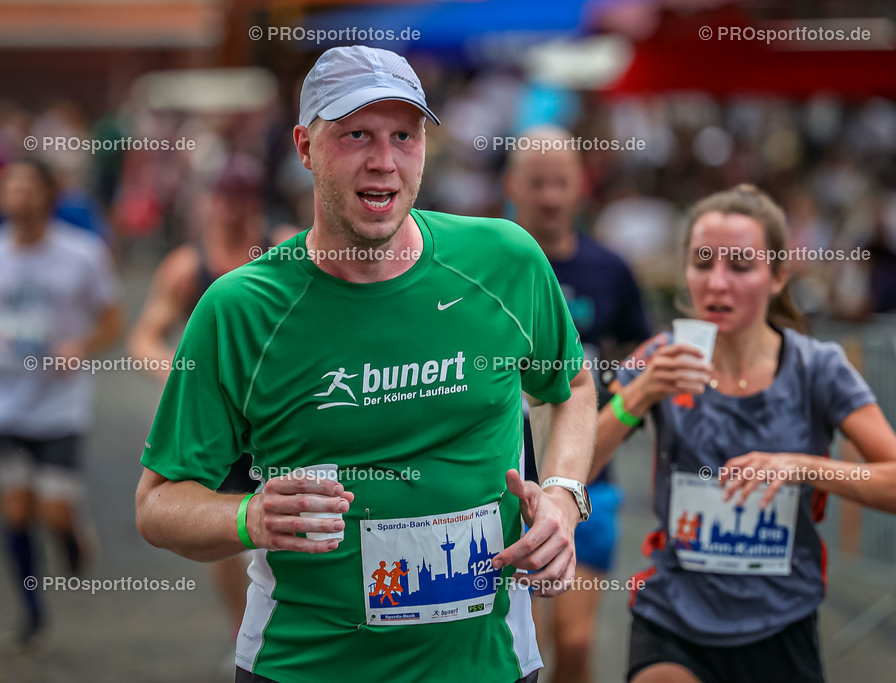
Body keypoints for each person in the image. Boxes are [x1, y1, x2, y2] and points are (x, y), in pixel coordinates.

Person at [134, 45, 597, 683]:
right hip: (304, 666)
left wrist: (565, 497)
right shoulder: (239, 309)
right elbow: (158, 503)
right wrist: (248, 516)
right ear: (304, 146)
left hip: (487, 665)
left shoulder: (504, 261)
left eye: (404, 135)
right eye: (356, 134)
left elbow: (568, 384)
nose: (384, 161)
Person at [589, 184, 896, 683]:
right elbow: (573, 472)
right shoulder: (662, 355)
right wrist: (636, 396)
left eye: (740, 266)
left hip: (780, 623)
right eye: (702, 263)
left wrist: (800, 465)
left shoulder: (817, 368)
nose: (717, 283)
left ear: (777, 276)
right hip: (672, 618)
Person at [504, 125, 650, 683]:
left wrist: (618, 409)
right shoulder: (490, 265)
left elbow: (639, 349)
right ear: (512, 184)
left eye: (560, 182)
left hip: (588, 478)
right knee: (525, 639)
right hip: (505, 481)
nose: (549, 196)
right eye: (537, 183)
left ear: (580, 186)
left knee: (576, 636)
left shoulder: (608, 269)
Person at [128, 156, 283, 640]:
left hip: (277, 414)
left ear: (256, 202)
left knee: (287, 517)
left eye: (244, 199)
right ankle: (243, 628)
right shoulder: (186, 266)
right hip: (220, 422)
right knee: (228, 527)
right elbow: (144, 337)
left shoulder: (284, 249)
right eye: (226, 198)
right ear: (212, 201)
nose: (234, 209)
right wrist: (183, 376)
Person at [0, 158, 123, 646]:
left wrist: (82, 346)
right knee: (16, 509)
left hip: (59, 405)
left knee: (53, 513)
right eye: (11, 186)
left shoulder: (82, 253)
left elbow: (112, 317)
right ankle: (30, 612)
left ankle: (71, 535)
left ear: (49, 194)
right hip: (3, 404)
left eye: (30, 186)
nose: (20, 195)